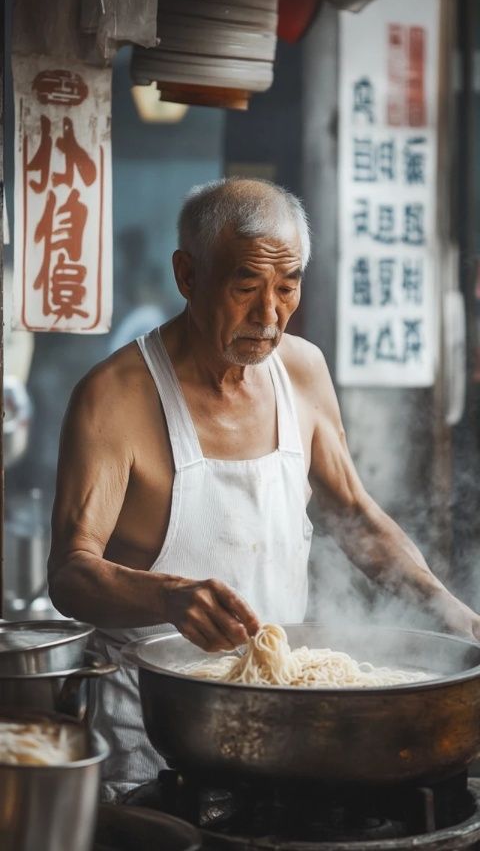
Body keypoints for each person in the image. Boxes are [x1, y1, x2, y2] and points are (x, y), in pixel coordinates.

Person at [48, 178, 480, 801]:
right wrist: (169, 597)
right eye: (245, 287)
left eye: (288, 287)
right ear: (187, 275)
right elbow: (70, 573)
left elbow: (355, 515)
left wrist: (452, 613)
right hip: (154, 729)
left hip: (284, 720)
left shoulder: (301, 370)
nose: (269, 314)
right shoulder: (114, 397)